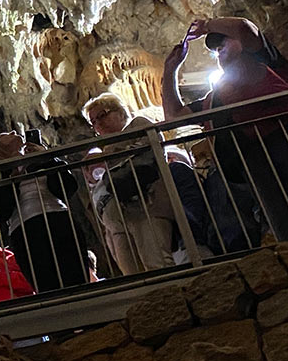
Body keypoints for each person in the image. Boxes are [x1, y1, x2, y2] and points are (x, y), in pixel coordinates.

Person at [162, 17, 288, 241]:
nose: (219, 51)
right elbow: (174, 117)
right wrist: (170, 70)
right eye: (216, 50)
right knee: (285, 224)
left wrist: (208, 25)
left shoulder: (262, 60)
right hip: (253, 159)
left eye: (224, 43)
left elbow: (244, 28)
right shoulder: (212, 99)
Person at [80, 92, 208, 273]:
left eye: (102, 115)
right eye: (93, 121)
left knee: (157, 263)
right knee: (132, 274)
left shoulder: (138, 124)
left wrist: (110, 155)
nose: (98, 123)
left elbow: (149, 151)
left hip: (145, 206)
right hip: (116, 221)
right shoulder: (102, 152)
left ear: (120, 112)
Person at [0, 131, 90, 292]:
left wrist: (46, 157)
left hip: (58, 218)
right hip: (25, 229)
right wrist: (13, 177)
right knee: (44, 278)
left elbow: (68, 187)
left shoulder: (40, 160)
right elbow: (1, 211)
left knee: (74, 269)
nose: (13, 131)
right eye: (4, 135)